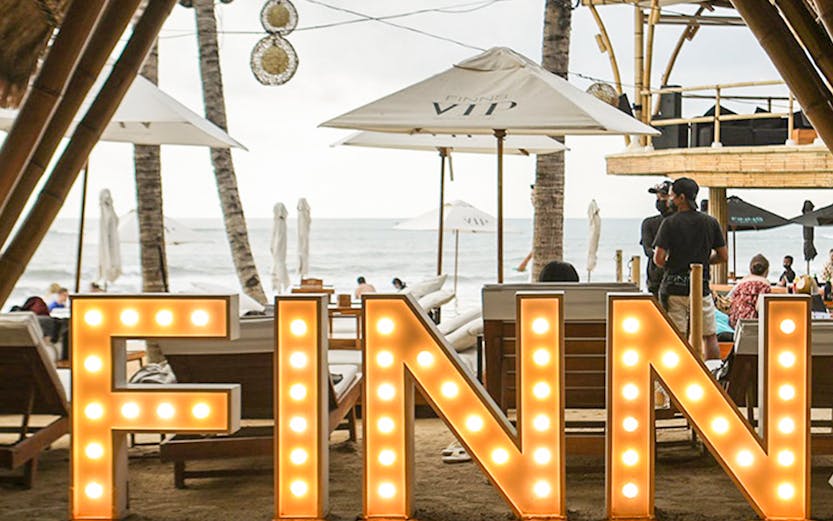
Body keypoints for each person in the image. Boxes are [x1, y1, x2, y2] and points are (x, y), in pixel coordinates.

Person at [653, 177, 729, 360]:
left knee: (675, 335)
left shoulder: (669, 223)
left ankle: (675, 372)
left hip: (674, 287)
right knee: (709, 335)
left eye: (672, 196)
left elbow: (658, 258)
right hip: (700, 287)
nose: (669, 200)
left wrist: (675, 263)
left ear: (681, 198)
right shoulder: (710, 222)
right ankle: (713, 372)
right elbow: (723, 256)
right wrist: (702, 262)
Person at [640, 180, 674, 296]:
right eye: (657, 197)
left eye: (663, 196)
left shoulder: (682, 222)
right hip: (655, 279)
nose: (660, 200)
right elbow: (647, 249)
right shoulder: (649, 223)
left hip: (678, 280)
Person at [729, 254, 772, 328]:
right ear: (766, 271)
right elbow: (761, 308)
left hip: (734, 322)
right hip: (749, 323)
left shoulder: (740, 284)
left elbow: (730, 300)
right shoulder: (764, 285)